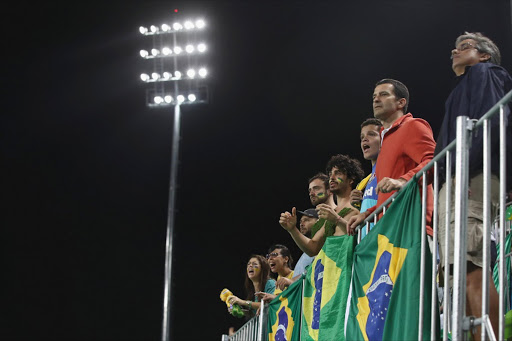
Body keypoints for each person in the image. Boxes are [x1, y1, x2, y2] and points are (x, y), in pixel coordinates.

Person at [435, 31, 512, 340]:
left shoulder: (486, 72)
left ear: (484, 55)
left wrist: (465, 170)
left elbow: (492, 122)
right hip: (458, 180)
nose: (455, 51)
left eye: (465, 47)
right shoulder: (460, 89)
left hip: (471, 177)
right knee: (456, 274)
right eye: (454, 47)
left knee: (471, 269)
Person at [347, 79, 436, 241]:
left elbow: (434, 162)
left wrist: (403, 180)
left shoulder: (412, 126)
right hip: (388, 232)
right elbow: (388, 198)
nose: (376, 99)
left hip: (412, 229)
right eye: (374, 96)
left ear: (401, 102)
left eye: (384, 94)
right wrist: (368, 213)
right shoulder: (385, 142)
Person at [281, 155, 364, 257]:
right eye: (330, 174)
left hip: (348, 269)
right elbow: (312, 249)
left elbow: (360, 235)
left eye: (337, 173)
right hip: (330, 270)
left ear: (351, 179)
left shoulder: (358, 204)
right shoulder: (333, 214)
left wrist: (336, 219)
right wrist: (292, 229)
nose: (331, 178)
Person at [350, 118, 382, 239]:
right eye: (362, 136)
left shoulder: (389, 169)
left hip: (383, 240)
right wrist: (358, 204)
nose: (364, 138)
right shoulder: (365, 182)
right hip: (366, 242)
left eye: (372, 134)